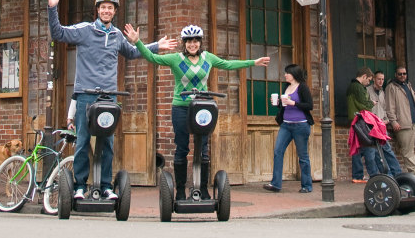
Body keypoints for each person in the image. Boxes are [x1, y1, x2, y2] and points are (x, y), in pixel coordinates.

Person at [46, 0, 177, 200]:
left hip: (108, 97)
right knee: (82, 142)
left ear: (115, 12)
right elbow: (58, 32)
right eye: (103, 7)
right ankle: (80, 186)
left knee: (107, 142)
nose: (107, 11)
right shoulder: (85, 30)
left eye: (110, 8)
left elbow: (133, 52)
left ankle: (106, 185)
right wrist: (52, 8)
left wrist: (155, 46)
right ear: (97, 10)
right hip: (86, 95)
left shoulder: (116, 35)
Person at [123, 24, 270, 200]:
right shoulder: (175, 59)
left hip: (202, 107)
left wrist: (253, 62)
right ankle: (179, 191)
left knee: (203, 149)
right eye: (189, 41)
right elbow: (152, 58)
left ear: (200, 43)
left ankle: (203, 189)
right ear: (184, 43)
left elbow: (228, 64)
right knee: (182, 148)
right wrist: (138, 42)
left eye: (195, 41)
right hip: (181, 108)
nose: (192, 44)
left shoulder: (208, 58)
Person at [262, 64, 314, 193]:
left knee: (303, 156)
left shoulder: (302, 87)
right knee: (278, 151)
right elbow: (284, 105)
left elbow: (309, 105)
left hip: (301, 125)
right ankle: (276, 184)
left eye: (287, 73)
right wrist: (278, 103)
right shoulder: (286, 87)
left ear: (294, 74)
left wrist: (294, 103)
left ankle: (307, 186)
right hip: (286, 125)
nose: (285, 75)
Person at [385, 66, 415, 179]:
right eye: (400, 74)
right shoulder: (391, 87)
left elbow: (409, 103)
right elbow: (389, 106)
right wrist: (393, 121)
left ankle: (403, 144)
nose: (402, 76)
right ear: (395, 74)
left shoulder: (408, 85)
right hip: (403, 123)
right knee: (408, 151)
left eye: (404, 74)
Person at [366, 71, 402, 177]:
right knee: (376, 152)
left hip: (382, 124)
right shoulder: (368, 91)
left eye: (382, 79)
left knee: (387, 149)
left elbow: (385, 108)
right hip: (372, 125)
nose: (381, 81)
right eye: (379, 79)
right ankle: (387, 174)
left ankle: (397, 173)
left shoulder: (383, 92)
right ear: (374, 79)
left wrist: (387, 120)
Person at [346, 67, 378, 183]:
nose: (368, 83)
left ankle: (357, 176)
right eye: (368, 80)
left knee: (357, 149)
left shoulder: (352, 86)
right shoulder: (358, 87)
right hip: (361, 121)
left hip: (354, 121)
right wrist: (372, 103)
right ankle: (374, 175)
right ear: (364, 76)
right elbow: (363, 104)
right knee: (369, 148)